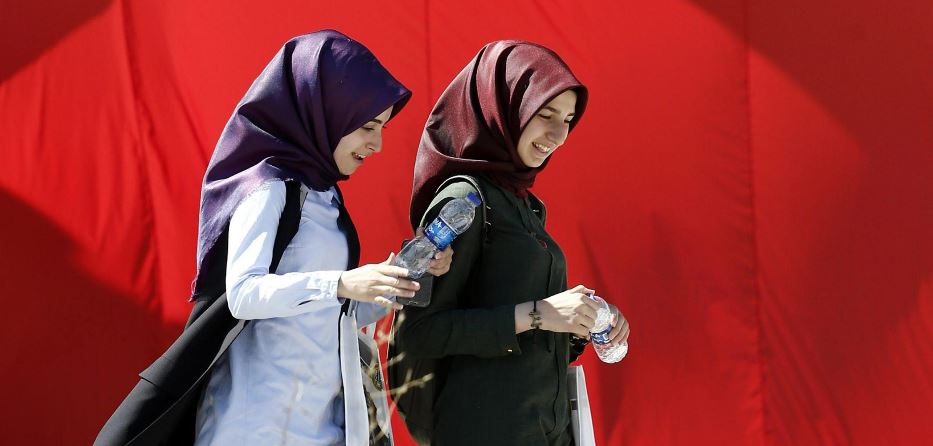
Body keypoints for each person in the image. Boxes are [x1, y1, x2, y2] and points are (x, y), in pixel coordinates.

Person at [95, 30, 452, 446]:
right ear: (327, 110)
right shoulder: (269, 188)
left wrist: (389, 281)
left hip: (326, 425)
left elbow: (322, 316)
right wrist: (341, 282)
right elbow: (244, 293)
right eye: (368, 127)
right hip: (255, 426)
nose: (377, 145)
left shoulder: (325, 196)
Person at [393, 40, 630, 446]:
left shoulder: (526, 205)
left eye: (568, 119)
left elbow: (517, 328)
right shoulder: (462, 202)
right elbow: (419, 334)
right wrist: (539, 314)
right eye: (545, 114)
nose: (558, 135)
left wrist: (578, 324)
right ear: (504, 106)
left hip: (544, 430)